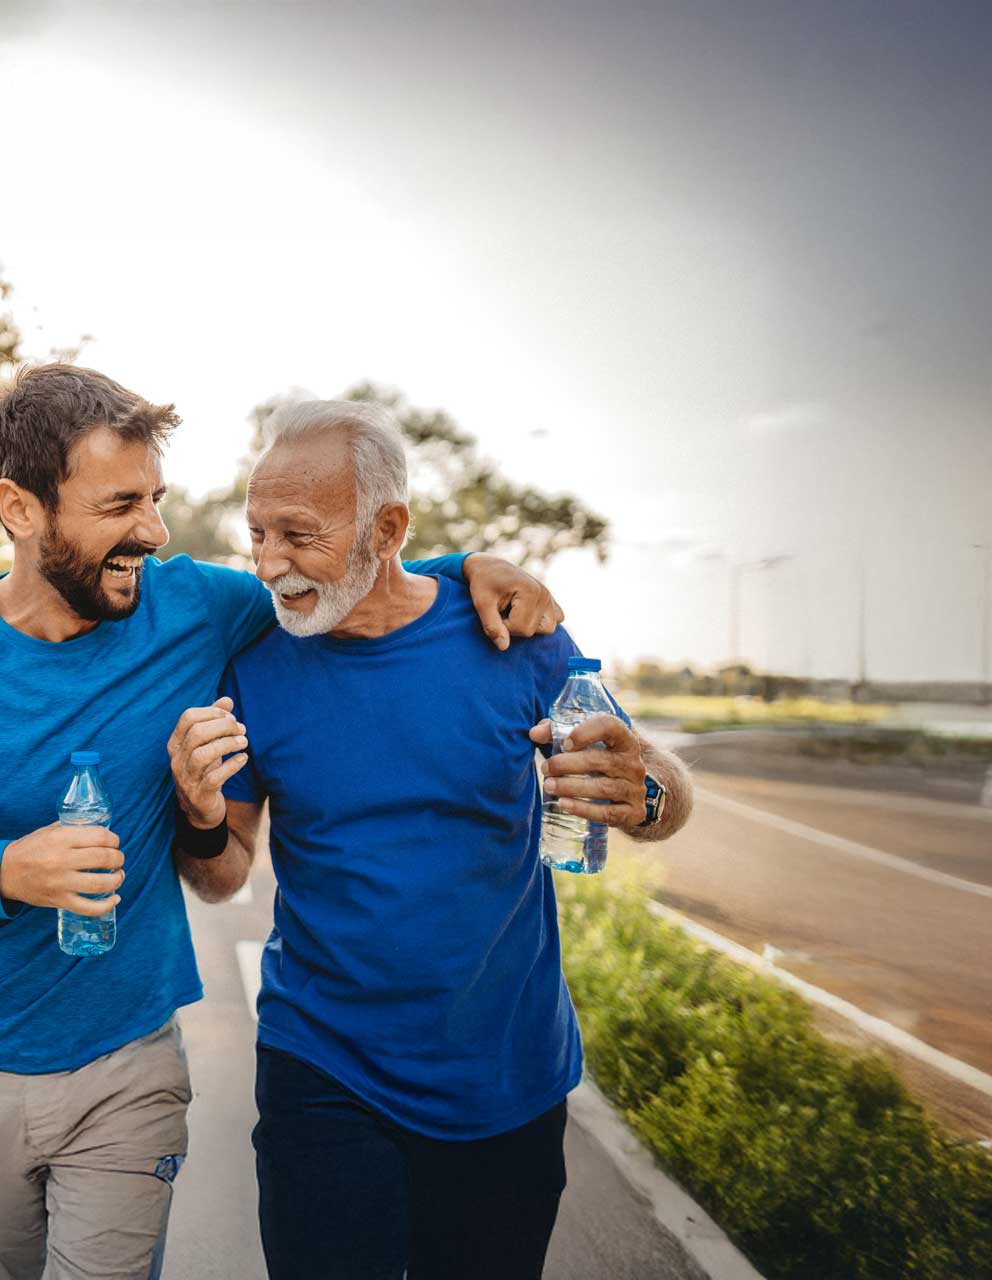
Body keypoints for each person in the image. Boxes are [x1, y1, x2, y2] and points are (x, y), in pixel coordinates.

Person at [0, 365, 564, 1280]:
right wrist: (6, 871)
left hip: (129, 1058)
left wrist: (468, 569)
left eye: (157, 499)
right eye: (121, 503)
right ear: (20, 509)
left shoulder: (198, 607)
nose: (154, 531)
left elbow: (354, 576)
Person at [166, 399, 693, 1280]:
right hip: (321, 1068)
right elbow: (223, 879)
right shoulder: (255, 665)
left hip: (507, 1073)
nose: (267, 564)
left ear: (389, 527)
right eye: (255, 534)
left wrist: (645, 793)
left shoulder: (514, 635)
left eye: (297, 534)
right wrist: (199, 813)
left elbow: (658, 791)